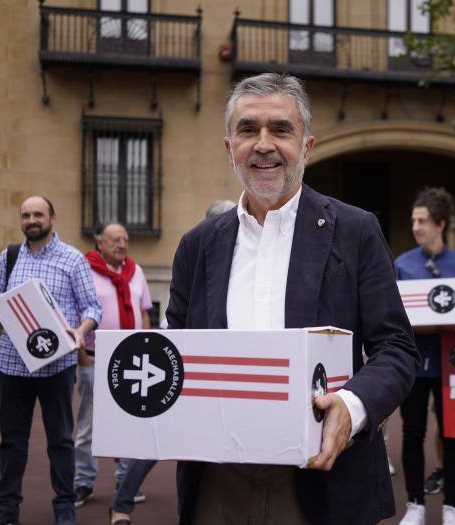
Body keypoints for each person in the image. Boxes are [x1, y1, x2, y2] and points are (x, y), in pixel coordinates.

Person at [167, 73, 419, 525]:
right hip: (217, 482)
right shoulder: (197, 245)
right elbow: (178, 350)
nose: (263, 144)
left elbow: (397, 349)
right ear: (229, 149)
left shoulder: (356, 231)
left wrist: (352, 406)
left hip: (322, 478)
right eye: (248, 129)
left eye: (281, 129)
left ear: (307, 146)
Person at [0, 196, 102, 525]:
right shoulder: (9, 257)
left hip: (57, 365)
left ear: (52, 217)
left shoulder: (72, 259)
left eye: (37, 214)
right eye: (25, 215)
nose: (31, 220)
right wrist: (2, 305)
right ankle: (6, 508)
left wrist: (81, 331)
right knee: (11, 440)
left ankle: (64, 505)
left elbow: (92, 306)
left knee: (61, 440)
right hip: (11, 363)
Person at [395, 188, 455, 525]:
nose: (416, 227)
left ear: (440, 224)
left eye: (423, 221)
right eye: (414, 220)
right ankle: (415, 504)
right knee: (413, 433)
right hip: (416, 363)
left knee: (453, 433)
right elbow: (392, 310)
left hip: (452, 363)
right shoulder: (403, 264)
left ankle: (452, 506)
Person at [69, 222, 152, 523]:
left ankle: (124, 481)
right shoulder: (85, 270)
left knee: (129, 422)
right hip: (94, 356)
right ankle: (83, 481)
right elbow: (77, 315)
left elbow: (144, 310)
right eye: (115, 239)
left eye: (125, 239)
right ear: (99, 243)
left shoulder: (136, 271)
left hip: (131, 360)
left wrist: (147, 344)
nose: (122, 244)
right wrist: (83, 360)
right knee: (89, 424)